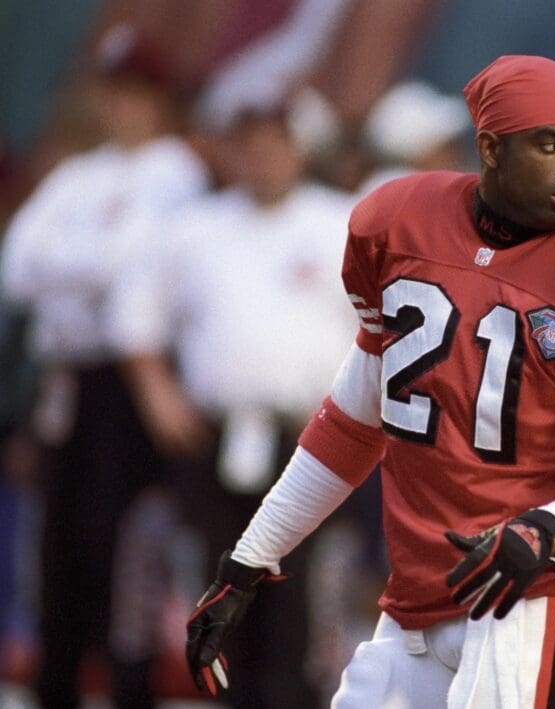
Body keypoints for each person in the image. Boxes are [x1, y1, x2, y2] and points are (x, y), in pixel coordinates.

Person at [183, 54, 555, 708]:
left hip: (529, 600)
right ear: (489, 148)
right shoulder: (400, 222)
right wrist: (250, 559)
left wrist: (548, 529)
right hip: (415, 600)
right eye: (551, 144)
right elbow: (349, 424)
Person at [106, 96, 359, 707]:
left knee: (299, 586)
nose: (263, 157)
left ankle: (296, 695)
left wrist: (351, 412)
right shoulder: (194, 229)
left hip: (310, 438)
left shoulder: (339, 223)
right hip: (215, 435)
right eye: (249, 145)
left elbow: (382, 327)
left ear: (298, 149)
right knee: (222, 580)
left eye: (275, 143)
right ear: (229, 153)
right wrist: (158, 394)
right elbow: (134, 318)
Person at [0, 25, 208, 707]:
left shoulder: (174, 171)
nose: (122, 108)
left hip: (131, 381)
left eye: (136, 94)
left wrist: (75, 263)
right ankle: (57, 681)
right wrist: (88, 265)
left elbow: (140, 270)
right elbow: (18, 265)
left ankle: (128, 685)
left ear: (158, 100)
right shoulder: (76, 175)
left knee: (120, 543)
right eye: (112, 93)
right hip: (69, 379)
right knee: (58, 542)